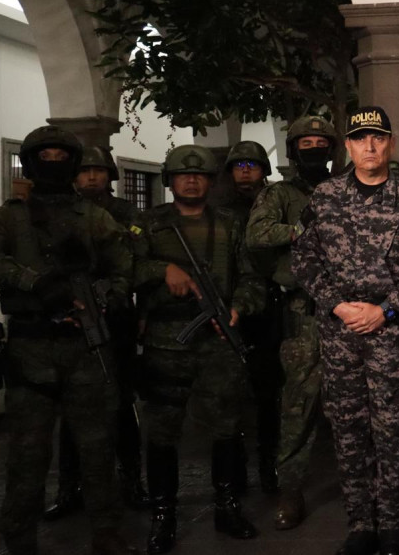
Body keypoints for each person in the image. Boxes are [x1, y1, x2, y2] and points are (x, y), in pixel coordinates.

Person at [292, 106, 399, 555]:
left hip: (393, 334)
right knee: (349, 429)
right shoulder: (324, 197)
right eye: (361, 139)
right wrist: (337, 305)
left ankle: (393, 524)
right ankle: (360, 525)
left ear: (391, 144)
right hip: (340, 334)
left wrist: (386, 310)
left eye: (378, 138)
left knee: (393, 429)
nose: (370, 146)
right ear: (349, 146)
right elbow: (305, 259)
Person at [0, 126, 139, 555]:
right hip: (30, 350)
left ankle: (106, 535)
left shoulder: (93, 217)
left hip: (85, 349)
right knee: (27, 455)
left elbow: (123, 264)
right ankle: (19, 539)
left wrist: (103, 298)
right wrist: (35, 283)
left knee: (97, 449)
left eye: (61, 155)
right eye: (45, 155)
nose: (53, 161)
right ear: (32, 162)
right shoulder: (8, 217)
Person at [135, 144, 266, 554]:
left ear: (211, 181)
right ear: (170, 180)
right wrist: (163, 270)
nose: (191, 180)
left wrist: (239, 307)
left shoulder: (231, 224)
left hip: (217, 340)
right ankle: (164, 515)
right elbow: (124, 268)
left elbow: (252, 277)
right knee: (162, 432)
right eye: (182, 174)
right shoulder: (149, 225)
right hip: (164, 342)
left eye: (199, 175)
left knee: (226, 427)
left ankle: (227, 507)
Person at [44, 146, 149, 520]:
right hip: (70, 319)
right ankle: (69, 488)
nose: (91, 177)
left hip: (116, 315)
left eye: (98, 170)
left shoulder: (125, 214)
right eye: (84, 170)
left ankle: (132, 480)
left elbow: (135, 255)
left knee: (120, 402)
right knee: (73, 410)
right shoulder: (59, 212)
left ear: (110, 175)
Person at [245, 114, 340, 529]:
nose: (315, 149)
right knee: (298, 406)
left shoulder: (344, 190)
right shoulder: (279, 194)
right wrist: (301, 230)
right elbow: (257, 235)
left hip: (351, 312)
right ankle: (291, 491)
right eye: (307, 143)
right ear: (293, 150)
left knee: (358, 406)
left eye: (321, 142)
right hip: (304, 313)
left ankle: (368, 488)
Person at [217, 140, 282, 495]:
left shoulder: (276, 205)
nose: (245, 170)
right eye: (239, 165)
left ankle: (270, 465)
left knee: (268, 393)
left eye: (252, 165)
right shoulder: (221, 212)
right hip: (232, 309)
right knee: (232, 395)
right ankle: (236, 470)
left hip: (271, 307)